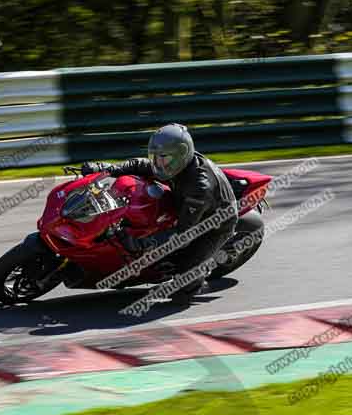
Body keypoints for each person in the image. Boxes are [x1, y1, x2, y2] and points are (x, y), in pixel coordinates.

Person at [81, 123, 238, 301]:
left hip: (213, 224)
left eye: (163, 157)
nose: (157, 162)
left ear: (181, 154)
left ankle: (198, 279)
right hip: (184, 205)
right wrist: (105, 168)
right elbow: (140, 164)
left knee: (182, 286)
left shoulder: (199, 187)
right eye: (155, 156)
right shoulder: (175, 165)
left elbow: (183, 234)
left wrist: (143, 243)